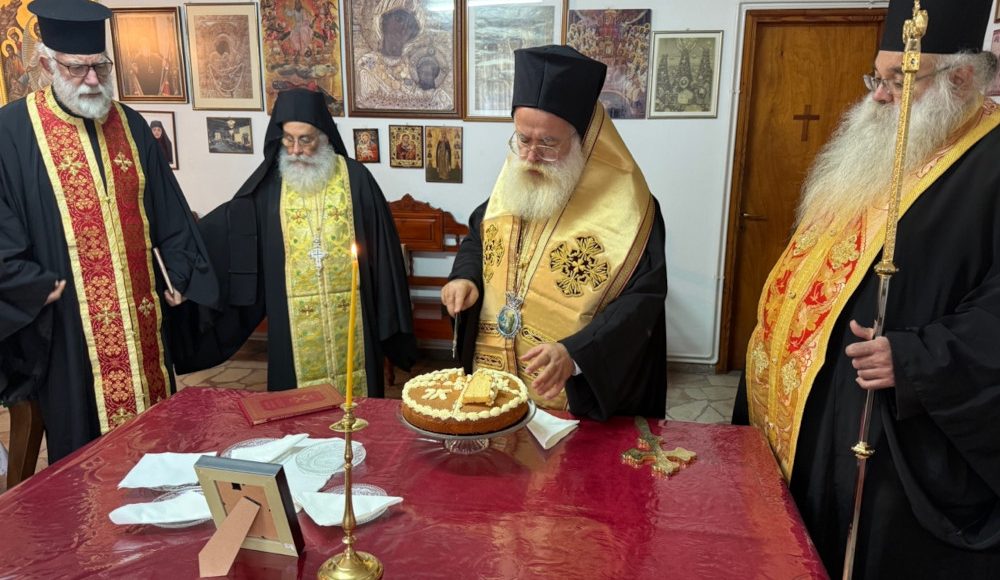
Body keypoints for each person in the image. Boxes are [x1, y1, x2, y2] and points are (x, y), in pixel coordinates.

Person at [733, 1, 1000, 577]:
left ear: (960, 78)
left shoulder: (992, 160)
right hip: (816, 402)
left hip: (898, 420)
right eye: (875, 78)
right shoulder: (884, 146)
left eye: (896, 81)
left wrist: (918, 357)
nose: (877, 96)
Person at [0, 0, 217, 463]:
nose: (94, 80)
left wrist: (177, 273)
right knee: (84, 456)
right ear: (45, 64)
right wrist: (30, 284)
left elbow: (170, 213)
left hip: (141, 322)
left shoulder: (132, 125)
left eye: (100, 66)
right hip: (69, 327)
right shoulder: (11, 134)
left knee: (159, 443)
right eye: (78, 69)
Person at [441, 45, 668, 420]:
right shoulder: (515, 180)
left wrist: (577, 353)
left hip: (574, 395)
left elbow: (641, 303)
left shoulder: (633, 212)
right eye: (523, 139)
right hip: (494, 382)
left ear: (585, 140)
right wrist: (464, 277)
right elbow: (479, 239)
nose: (530, 157)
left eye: (548, 143)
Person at [173, 89, 417, 398]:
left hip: (354, 317)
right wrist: (180, 263)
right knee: (295, 415)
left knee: (360, 409)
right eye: (288, 140)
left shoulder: (356, 179)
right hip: (292, 324)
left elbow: (383, 253)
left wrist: (390, 323)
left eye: (306, 140)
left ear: (324, 136)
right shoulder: (270, 188)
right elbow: (229, 231)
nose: (296, 150)